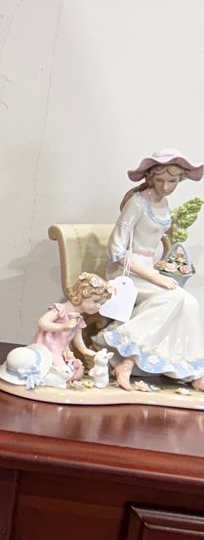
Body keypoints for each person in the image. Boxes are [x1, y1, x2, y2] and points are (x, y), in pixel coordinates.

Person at [99, 150, 204, 390]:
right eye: (160, 180)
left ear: (180, 180)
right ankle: (126, 359)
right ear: (149, 178)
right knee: (171, 299)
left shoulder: (164, 204)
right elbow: (116, 250)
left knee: (189, 303)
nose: (165, 187)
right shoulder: (138, 203)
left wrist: (161, 269)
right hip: (126, 271)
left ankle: (190, 370)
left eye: (172, 181)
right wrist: (155, 277)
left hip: (147, 268)